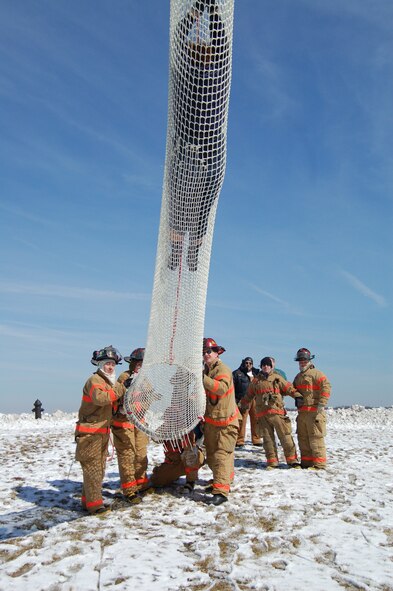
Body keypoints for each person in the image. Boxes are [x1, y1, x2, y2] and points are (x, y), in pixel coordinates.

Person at [167, 0, 231, 272]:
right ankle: (183, 251)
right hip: (199, 150)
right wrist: (204, 12)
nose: (206, 54)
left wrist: (205, 12)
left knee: (191, 201)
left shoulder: (203, 72)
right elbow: (216, 46)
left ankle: (185, 251)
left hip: (200, 148)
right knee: (190, 202)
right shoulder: (200, 74)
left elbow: (218, 46)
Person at [75, 346, 125, 515]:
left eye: (112, 364)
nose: (110, 367)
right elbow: (101, 398)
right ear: (99, 364)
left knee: (96, 469)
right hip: (91, 433)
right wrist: (120, 388)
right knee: (94, 469)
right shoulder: (95, 380)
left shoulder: (106, 382)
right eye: (107, 363)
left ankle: (87, 501)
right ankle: (95, 506)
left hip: (100, 432)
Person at [240, 357, 303, 469]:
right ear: (261, 366)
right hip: (262, 416)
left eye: (268, 365)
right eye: (263, 365)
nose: (266, 367)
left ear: (271, 366)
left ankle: (292, 460)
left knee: (285, 438)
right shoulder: (256, 381)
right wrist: (240, 407)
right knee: (268, 440)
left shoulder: (277, 378)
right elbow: (248, 396)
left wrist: (297, 396)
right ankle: (272, 462)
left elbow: (289, 388)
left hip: (277, 414)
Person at [202, 337, 239, 505]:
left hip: (225, 423)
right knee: (212, 456)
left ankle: (221, 491)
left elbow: (221, 388)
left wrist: (201, 378)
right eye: (203, 352)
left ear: (217, 353)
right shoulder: (207, 371)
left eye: (209, 351)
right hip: (212, 423)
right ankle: (224, 480)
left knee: (221, 455)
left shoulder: (222, 369)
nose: (206, 355)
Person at [112, 347, 149, 503]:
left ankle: (141, 483)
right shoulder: (124, 377)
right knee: (127, 456)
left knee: (141, 454)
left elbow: (148, 399)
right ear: (132, 363)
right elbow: (115, 396)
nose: (140, 366)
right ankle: (129, 490)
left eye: (143, 363)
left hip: (139, 423)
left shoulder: (146, 380)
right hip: (123, 422)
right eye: (138, 362)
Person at [293, 348, 331, 470]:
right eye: (300, 360)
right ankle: (307, 463)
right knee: (303, 439)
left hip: (314, 413)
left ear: (309, 360)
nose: (302, 363)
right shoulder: (298, 377)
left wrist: (322, 404)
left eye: (304, 360)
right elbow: (293, 390)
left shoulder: (317, 374)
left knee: (316, 439)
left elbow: (326, 387)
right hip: (302, 413)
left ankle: (319, 464)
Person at [149, 428, 205, 492]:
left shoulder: (192, 425)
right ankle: (165, 472)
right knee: (157, 480)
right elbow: (156, 439)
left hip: (191, 459)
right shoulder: (167, 426)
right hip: (174, 462)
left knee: (191, 454)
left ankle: (190, 482)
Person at [232, 358, 261, 447]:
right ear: (243, 363)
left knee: (256, 419)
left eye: (250, 363)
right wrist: (235, 401)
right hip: (243, 399)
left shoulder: (256, 374)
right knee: (242, 420)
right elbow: (232, 388)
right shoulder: (237, 373)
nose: (248, 365)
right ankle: (240, 440)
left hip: (255, 399)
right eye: (246, 363)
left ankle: (256, 439)